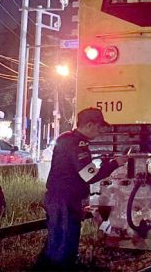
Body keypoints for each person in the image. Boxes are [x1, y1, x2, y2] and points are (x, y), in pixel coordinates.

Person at [39, 108, 127, 270]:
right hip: (64, 201)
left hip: (63, 200)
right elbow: (89, 175)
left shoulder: (69, 139)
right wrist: (115, 164)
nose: (100, 132)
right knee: (63, 246)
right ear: (90, 125)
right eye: (99, 127)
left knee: (59, 242)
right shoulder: (76, 144)